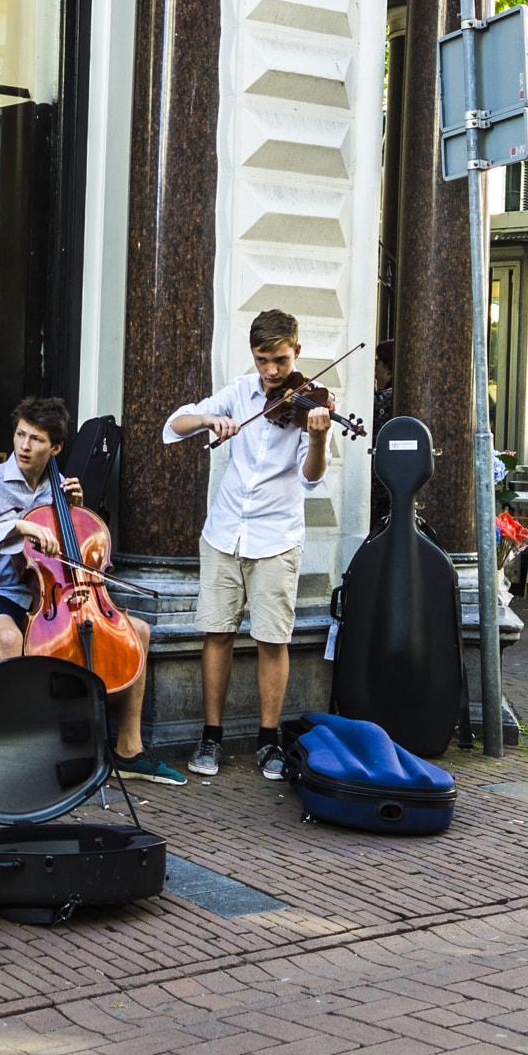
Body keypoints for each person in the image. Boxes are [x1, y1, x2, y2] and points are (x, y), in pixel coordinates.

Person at [0, 397, 186, 786]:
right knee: (9, 639)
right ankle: (3, 754)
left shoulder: (60, 488)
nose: (24, 446)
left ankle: (129, 750)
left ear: (55, 448)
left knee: (137, 632)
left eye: (36, 439)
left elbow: (79, 553)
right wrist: (19, 527)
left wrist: (75, 511)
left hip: (57, 595)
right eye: (21, 435)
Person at [164, 309, 331, 781]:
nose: (272, 372)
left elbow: (310, 477)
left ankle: (269, 739)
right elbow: (173, 426)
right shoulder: (240, 392)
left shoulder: (309, 405)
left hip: (276, 537)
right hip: (223, 532)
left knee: (271, 640)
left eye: (279, 360)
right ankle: (211, 736)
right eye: (262, 361)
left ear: (296, 351)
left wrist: (316, 439)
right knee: (216, 632)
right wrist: (212, 419)